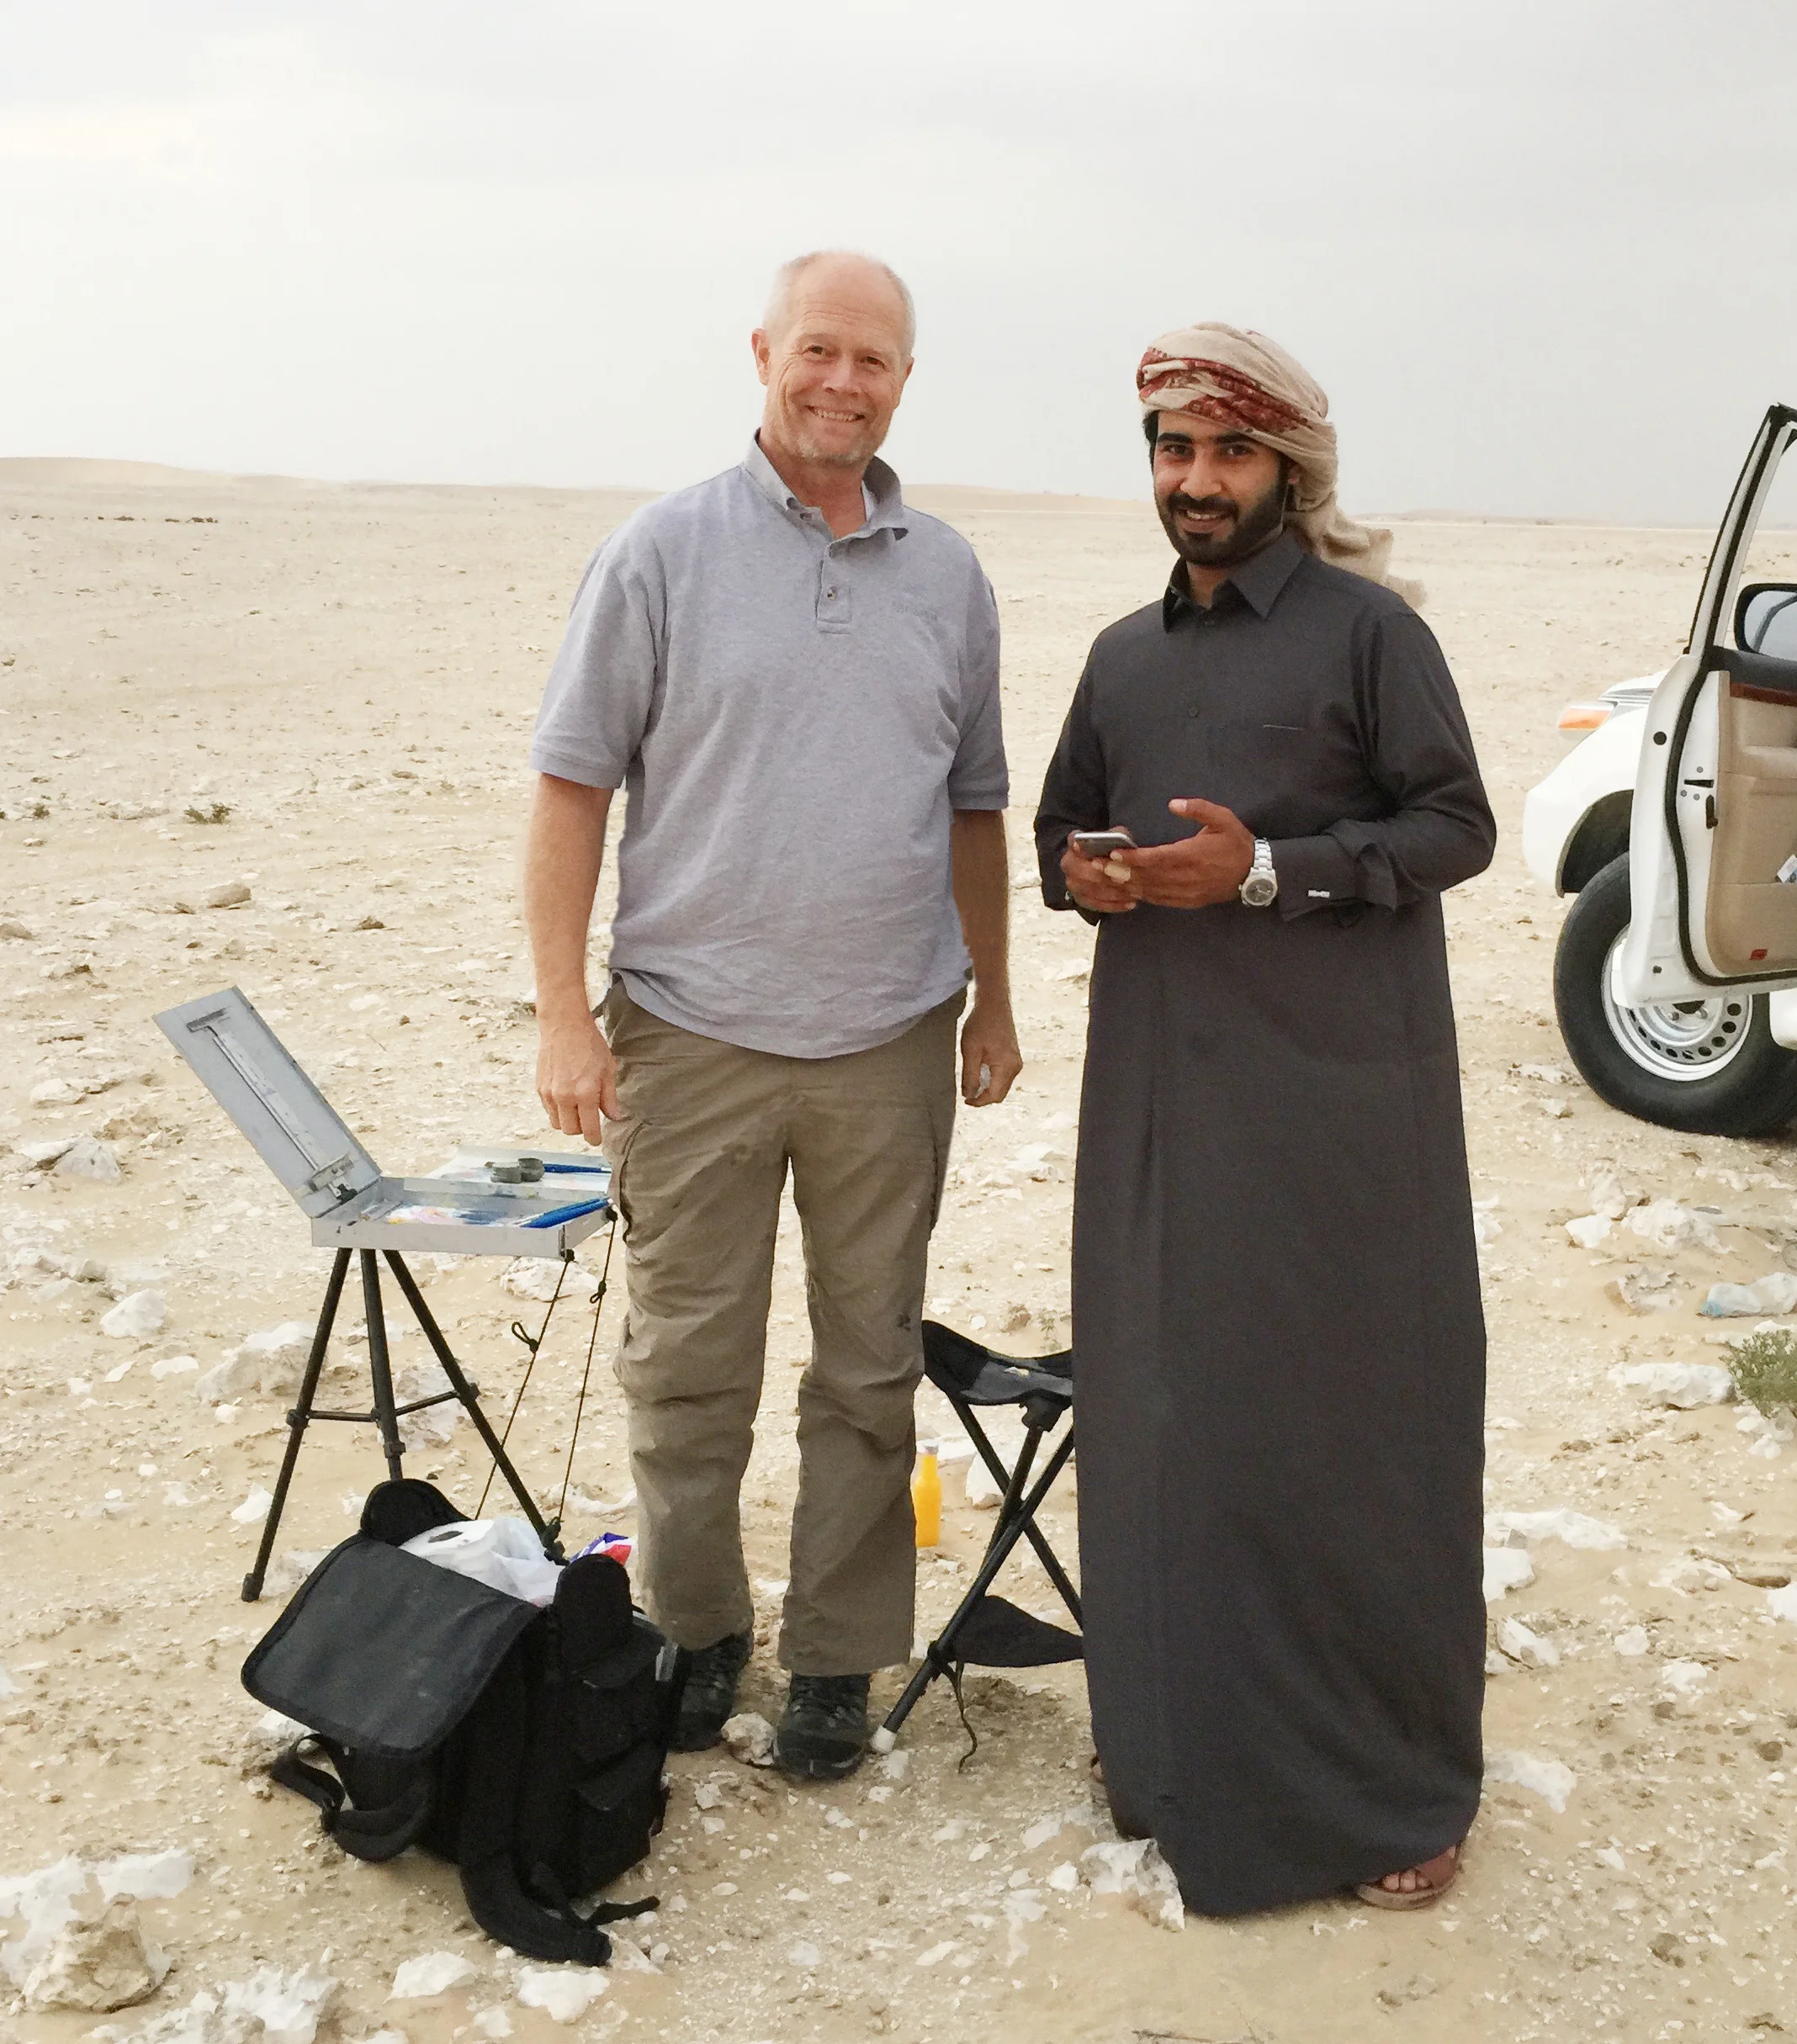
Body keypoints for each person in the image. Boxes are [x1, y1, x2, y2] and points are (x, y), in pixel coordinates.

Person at [524, 251, 1021, 1783]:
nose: (843, 383)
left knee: (868, 1366)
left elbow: (978, 806)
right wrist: (563, 1014)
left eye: (874, 361)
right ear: (763, 353)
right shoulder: (660, 553)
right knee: (687, 1361)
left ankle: (833, 1658)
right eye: (820, 351)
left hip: (888, 1040)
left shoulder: (949, 575)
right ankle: (690, 1626)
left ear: (903, 381)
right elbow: (571, 785)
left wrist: (993, 1001)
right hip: (691, 1032)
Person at [1035, 324, 1494, 1914]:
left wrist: (1267, 870)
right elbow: (1055, 832)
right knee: (1174, 1418)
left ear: (1287, 471)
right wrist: (1090, 872)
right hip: (1165, 1097)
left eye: (1227, 454)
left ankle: (1390, 1787)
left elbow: (1455, 825)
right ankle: (1169, 1757)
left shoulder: (1372, 635)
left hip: (1345, 1110)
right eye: (1172, 452)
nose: (1196, 482)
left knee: (1354, 1431)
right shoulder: (1120, 657)